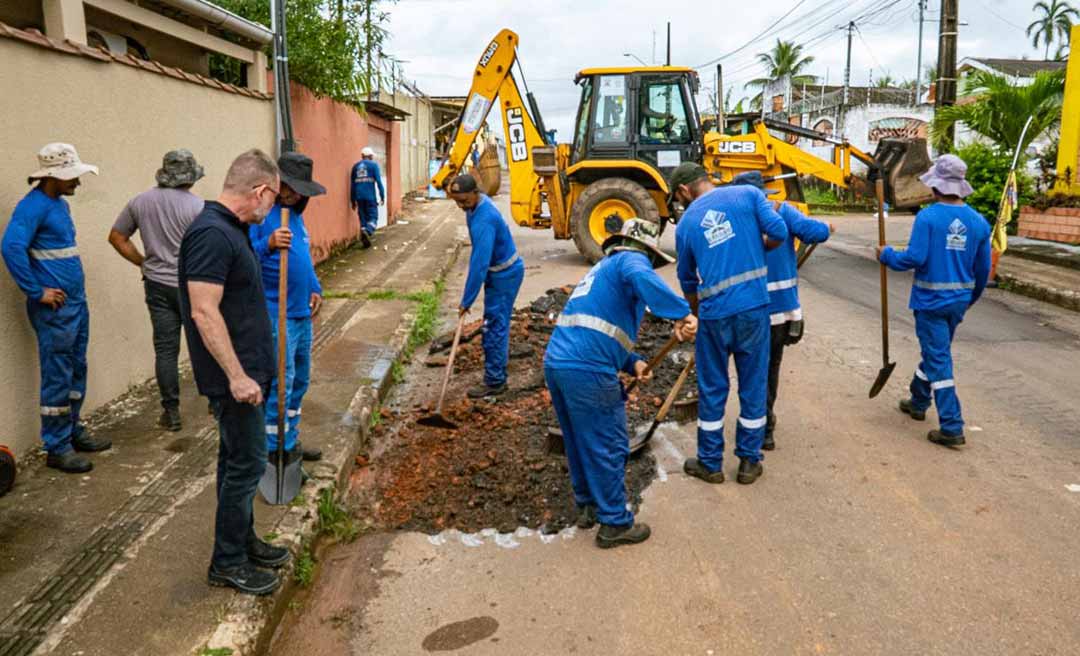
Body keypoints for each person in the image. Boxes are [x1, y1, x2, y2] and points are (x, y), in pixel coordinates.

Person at [545, 219, 697, 549]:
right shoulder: (631, 260)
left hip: (559, 363)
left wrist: (633, 361)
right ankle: (614, 523)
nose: (651, 265)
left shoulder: (603, 271)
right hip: (586, 369)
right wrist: (683, 314)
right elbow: (641, 276)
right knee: (608, 444)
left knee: (578, 440)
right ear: (642, 248)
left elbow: (602, 328)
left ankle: (587, 506)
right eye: (651, 259)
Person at [179, 149, 289, 596]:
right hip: (235, 381)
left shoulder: (233, 230)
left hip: (249, 372)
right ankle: (227, 562)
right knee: (246, 466)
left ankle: (244, 542)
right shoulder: (210, 235)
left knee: (236, 463)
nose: (272, 208)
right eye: (273, 198)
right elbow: (205, 313)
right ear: (260, 192)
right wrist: (238, 377)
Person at [670, 162, 788, 485]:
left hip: (715, 316)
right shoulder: (749, 194)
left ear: (683, 191)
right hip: (753, 310)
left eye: (678, 200)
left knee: (713, 388)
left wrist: (695, 312)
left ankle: (710, 463)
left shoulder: (686, 224)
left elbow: (687, 280)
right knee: (753, 384)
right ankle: (749, 462)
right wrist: (759, 246)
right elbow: (779, 232)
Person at [2, 143, 111, 474]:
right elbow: (11, 247)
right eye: (71, 177)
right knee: (58, 373)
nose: (77, 183)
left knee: (77, 367)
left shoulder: (58, 204)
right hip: (55, 310)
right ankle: (57, 446)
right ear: (52, 177)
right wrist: (37, 292)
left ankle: (72, 429)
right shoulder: (32, 207)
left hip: (74, 304)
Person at [877, 154, 991, 447]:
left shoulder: (927, 217)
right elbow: (982, 270)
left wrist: (886, 254)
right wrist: (970, 299)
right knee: (936, 351)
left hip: (930, 301)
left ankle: (952, 425)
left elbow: (914, 258)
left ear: (936, 186)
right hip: (959, 301)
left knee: (939, 359)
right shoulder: (979, 222)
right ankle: (917, 399)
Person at [729, 171, 834, 451]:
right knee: (770, 368)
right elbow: (816, 233)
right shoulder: (780, 210)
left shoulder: (733, 218)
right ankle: (765, 428)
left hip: (746, 308)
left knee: (750, 369)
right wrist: (827, 227)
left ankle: (756, 423)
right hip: (780, 311)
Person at [108, 149, 205, 432]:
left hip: (156, 284)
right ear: (190, 177)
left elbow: (116, 237)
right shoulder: (198, 207)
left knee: (165, 349)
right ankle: (214, 401)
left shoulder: (139, 202)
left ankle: (171, 412)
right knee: (204, 343)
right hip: (190, 285)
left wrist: (143, 262)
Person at [249, 152, 326, 466]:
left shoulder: (295, 214)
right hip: (273, 311)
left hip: (300, 313)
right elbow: (244, 258)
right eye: (288, 186)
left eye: (298, 189)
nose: (293, 193)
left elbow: (302, 257)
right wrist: (267, 244)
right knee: (281, 380)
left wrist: (315, 287)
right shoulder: (260, 213)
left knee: (300, 379)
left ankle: (289, 440)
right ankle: (271, 448)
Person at [447, 175, 525, 398]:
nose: (461, 206)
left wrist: (467, 300)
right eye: (457, 202)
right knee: (494, 324)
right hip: (499, 272)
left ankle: (495, 381)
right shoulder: (475, 207)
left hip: (505, 275)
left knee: (493, 326)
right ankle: (496, 373)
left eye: (463, 201)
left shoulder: (484, 217)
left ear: (475, 192)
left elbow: (479, 263)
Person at [349, 146, 385, 249]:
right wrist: (382, 196)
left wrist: (352, 200)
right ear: (370, 156)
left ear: (362, 156)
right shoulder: (374, 166)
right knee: (373, 217)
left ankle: (364, 236)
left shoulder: (355, 167)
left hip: (359, 197)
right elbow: (378, 182)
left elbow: (352, 185)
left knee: (363, 217)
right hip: (370, 197)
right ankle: (368, 231)